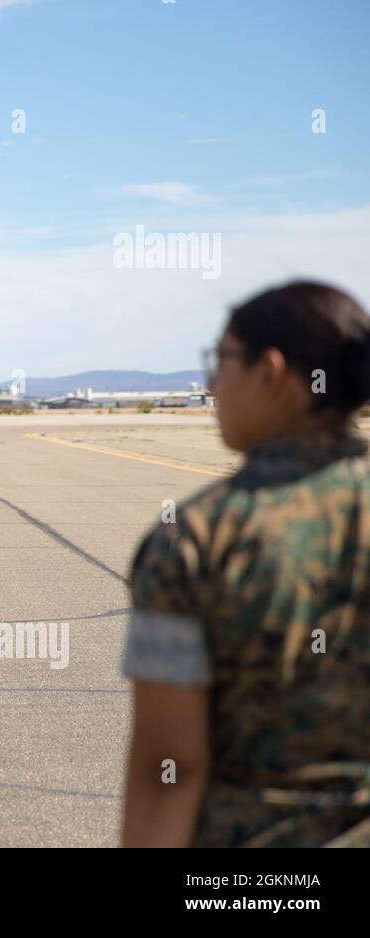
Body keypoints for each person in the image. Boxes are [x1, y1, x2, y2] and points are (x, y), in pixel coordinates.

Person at [121, 280, 370, 847]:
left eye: (222, 361)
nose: (212, 383)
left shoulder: (198, 539)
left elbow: (170, 766)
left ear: (271, 372)